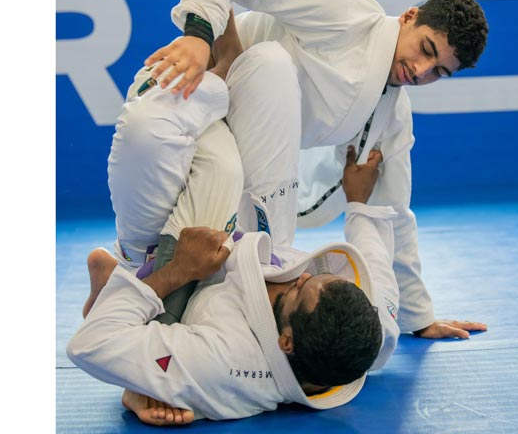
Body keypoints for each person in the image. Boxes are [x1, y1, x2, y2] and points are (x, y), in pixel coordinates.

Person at [141, 0, 488, 339]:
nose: (421, 70)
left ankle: (135, 291)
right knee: (217, 205)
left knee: (232, 258)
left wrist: (418, 317)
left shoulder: (391, 113)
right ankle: (147, 321)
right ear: (409, 16)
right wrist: (200, 35)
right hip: (191, 100)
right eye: (426, 49)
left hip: (245, 149)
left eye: (439, 72)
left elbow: (394, 212)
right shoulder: (345, 11)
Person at [69, 42, 402, 424]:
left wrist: (174, 274)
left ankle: (125, 284)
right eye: (314, 277)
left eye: (296, 291)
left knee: (153, 127)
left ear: (285, 342)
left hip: (174, 262)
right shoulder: (370, 335)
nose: (301, 275)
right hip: (254, 230)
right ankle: (222, 63)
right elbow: (374, 258)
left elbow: (90, 344)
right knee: (269, 64)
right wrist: (358, 203)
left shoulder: (226, 363)